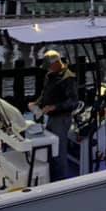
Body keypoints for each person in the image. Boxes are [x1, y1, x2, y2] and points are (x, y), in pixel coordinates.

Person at [28, 49, 78, 180]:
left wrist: (54, 107)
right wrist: (36, 103)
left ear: (56, 63)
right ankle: (51, 174)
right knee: (51, 147)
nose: (48, 69)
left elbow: (73, 102)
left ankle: (60, 180)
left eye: (50, 66)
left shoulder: (68, 78)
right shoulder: (50, 75)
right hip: (51, 117)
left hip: (62, 118)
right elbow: (45, 94)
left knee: (59, 150)